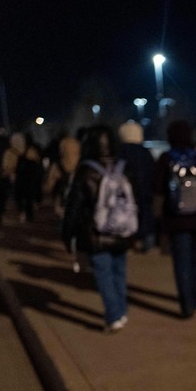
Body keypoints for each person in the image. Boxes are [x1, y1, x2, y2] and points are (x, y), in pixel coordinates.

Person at [62, 125, 136, 333]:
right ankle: (121, 311)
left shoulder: (86, 170)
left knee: (104, 275)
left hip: (96, 233)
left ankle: (113, 316)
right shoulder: (123, 167)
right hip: (122, 231)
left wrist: (68, 234)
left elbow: (74, 207)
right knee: (119, 272)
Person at [154, 119, 196, 318]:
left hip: (178, 220)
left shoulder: (166, 158)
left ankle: (187, 305)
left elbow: (156, 186)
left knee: (182, 262)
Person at [118, 121, 156, 251]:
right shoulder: (145, 153)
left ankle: (129, 239)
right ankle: (147, 241)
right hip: (145, 190)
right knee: (145, 214)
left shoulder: (119, 152)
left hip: (125, 192)